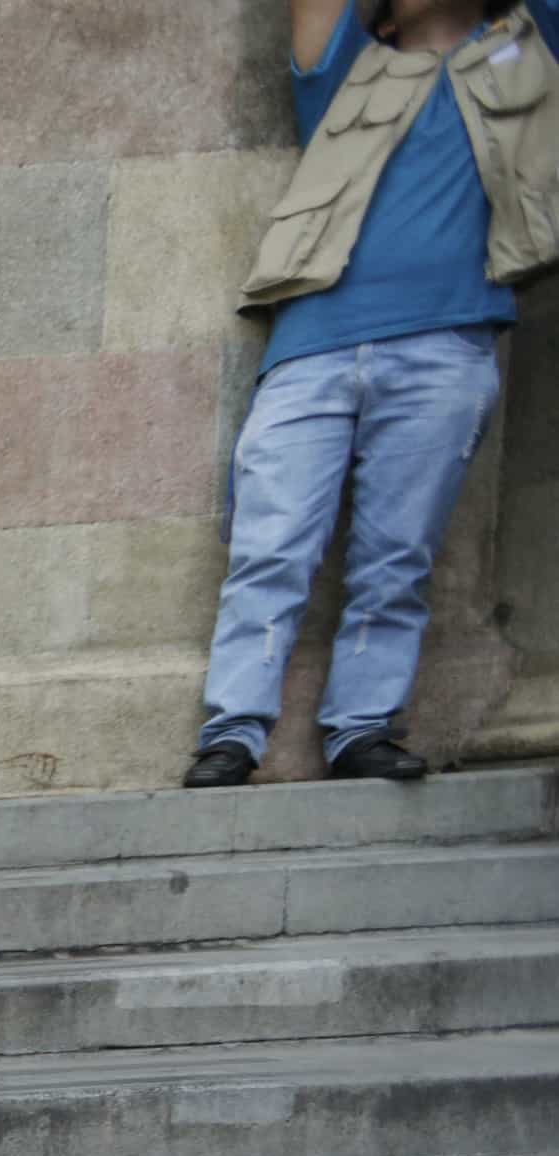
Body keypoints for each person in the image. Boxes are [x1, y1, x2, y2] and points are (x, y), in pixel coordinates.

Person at [183, 0, 559, 791]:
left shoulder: (535, 44)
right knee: (270, 547)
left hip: (447, 343)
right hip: (312, 345)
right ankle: (232, 734)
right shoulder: (348, 59)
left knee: (397, 557)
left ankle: (361, 728)